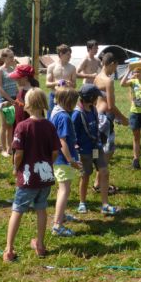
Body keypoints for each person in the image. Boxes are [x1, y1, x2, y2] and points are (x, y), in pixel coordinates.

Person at [3, 88, 61, 261]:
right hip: (45, 178)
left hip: (27, 179)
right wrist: (48, 163)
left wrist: (15, 168)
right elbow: (55, 152)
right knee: (41, 208)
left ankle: (9, 249)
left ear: (27, 105)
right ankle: (40, 245)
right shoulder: (50, 126)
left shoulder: (22, 126)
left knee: (17, 209)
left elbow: (18, 153)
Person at [72, 84, 113, 214]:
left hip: (96, 148)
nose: (97, 100)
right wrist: (75, 148)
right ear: (90, 98)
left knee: (104, 171)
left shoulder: (93, 109)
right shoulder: (77, 114)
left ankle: (105, 204)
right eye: (96, 97)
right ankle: (82, 202)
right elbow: (72, 133)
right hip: (85, 151)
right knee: (86, 175)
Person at [93, 52, 128, 204]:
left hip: (97, 116)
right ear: (112, 64)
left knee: (100, 149)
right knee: (107, 151)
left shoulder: (97, 77)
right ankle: (99, 183)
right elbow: (111, 105)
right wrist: (123, 119)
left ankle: (97, 181)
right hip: (105, 119)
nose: (116, 69)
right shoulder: (108, 81)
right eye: (116, 66)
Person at [49, 87, 82, 235]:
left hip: (58, 159)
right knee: (65, 190)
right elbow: (62, 141)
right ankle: (57, 225)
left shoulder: (55, 112)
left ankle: (61, 216)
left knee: (62, 188)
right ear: (69, 102)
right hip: (63, 160)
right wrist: (71, 160)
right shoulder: (65, 118)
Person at [0, 48, 18, 157]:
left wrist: (17, 97)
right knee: (4, 125)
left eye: (13, 56)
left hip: (14, 99)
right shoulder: (0, 70)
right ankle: (3, 149)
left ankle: (10, 148)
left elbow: (17, 83)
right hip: (4, 99)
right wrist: (10, 99)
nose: (13, 59)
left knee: (11, 125)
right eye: (10, 57)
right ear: (4, 58)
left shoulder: (13, 69)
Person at [46, 44, 76, 116]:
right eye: (68, 54)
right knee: (51, 118)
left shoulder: (72, 68)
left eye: (70, 54)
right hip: (54, 95)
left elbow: (74, 85)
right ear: (61, 54)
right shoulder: (51, 67)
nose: (70, 56)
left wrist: (70, 84)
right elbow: (47, 84)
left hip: (67, 96)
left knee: (67, 117)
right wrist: (57, 83)